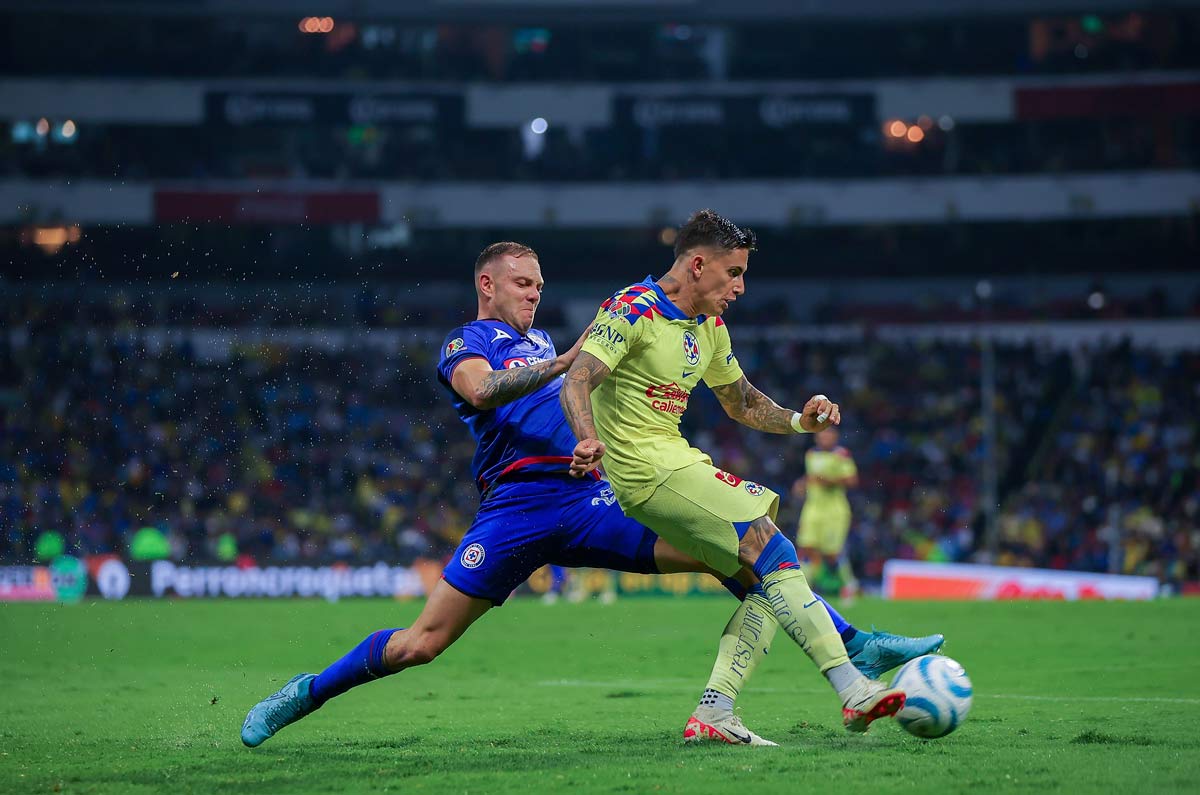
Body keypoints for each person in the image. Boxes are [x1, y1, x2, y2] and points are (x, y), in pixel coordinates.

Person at [241, 241, 941, 748]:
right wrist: (570, 358)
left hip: (591, 498)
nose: (532, 292)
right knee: (420, 644)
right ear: (486, 284)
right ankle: (303, 693)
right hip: (515, 512)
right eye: (519, 282)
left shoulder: (546, 337)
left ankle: (838, 654)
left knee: (746, 552)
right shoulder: (467, 341)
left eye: (538, 283)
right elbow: (484, 391)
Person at [559, 209, 910, 742]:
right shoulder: (631, 309)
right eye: (735, 273)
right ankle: (854, 689)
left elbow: (740, 401)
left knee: (762, 585)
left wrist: (798, 420)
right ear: (698, 265)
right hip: (646, 470)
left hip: (676, 463)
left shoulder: (709, 326)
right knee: (773, 547)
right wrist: (587, 437)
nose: (741, 287)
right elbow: (577, 378)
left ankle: (715, 712)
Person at [793, 427, 860, 599]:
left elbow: (852, 480)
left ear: (835, 437)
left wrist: (828, 480)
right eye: (822, 435)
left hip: (834, 511)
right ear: (817, 437)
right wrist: (801, 484)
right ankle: (804, 590)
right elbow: (811, 477)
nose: (825, 438)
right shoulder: (811, 454)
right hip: (813, 508)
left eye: (828, 435)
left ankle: (850, 585)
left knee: (831, 554)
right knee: (806, 547)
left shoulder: (841, 454)